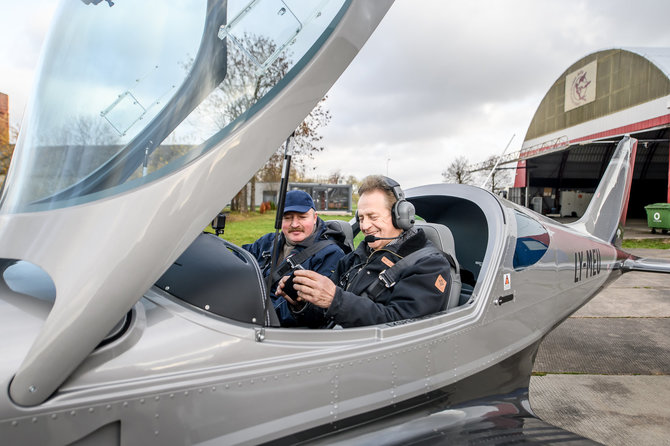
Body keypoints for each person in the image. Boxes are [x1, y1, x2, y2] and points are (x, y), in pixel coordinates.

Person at [278, 175, 455, 328]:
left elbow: (401, 325)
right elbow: (325, 313)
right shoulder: (356, 257)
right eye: (361, 218)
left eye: (373, 217)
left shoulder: (429, 264)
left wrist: (336, 300)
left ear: (400, 216)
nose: (364, 226)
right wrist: (302, 302)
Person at [243, 190, 348, 326]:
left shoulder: (330, 254)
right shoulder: (268, 242)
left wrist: (258, 312)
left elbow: (317, 312)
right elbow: (239, 259)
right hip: (250, 315)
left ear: (314, 218)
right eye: (288, 218)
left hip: (281, 329)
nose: (294, 224)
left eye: (302, 217)